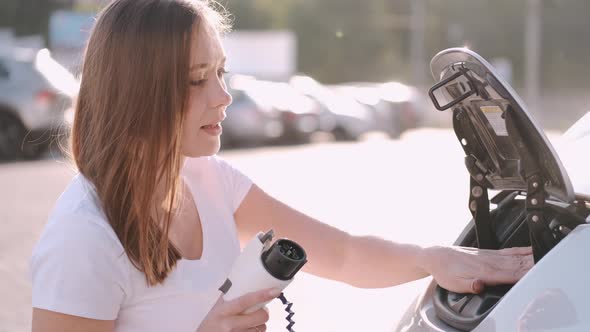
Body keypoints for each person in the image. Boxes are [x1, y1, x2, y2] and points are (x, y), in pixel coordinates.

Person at [29, 1, 534, 331]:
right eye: (196, 80)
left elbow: (343, 253)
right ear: (136, 92)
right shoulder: (85, 238)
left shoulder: (213, 183)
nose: (224, 97)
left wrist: (433, 257)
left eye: (221, 73)